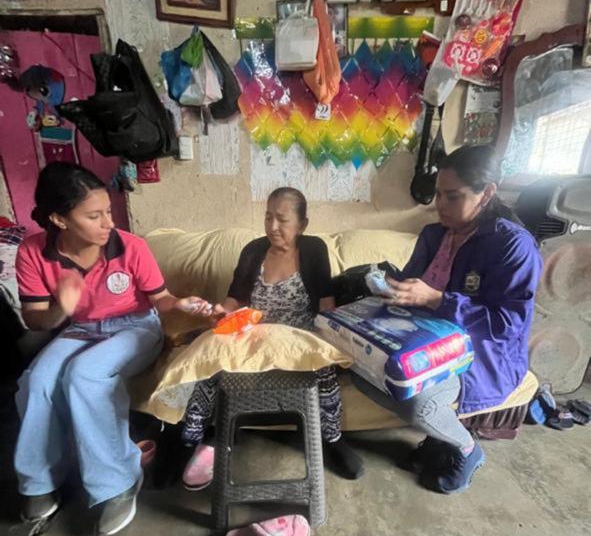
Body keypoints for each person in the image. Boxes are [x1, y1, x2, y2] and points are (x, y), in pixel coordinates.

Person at [14, 163, 217, 536]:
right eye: (94, 216)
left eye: (108, 211)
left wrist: (181, 303)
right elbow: (35, 320)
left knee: (84, 375)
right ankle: (40, 478)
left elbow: (161, 300)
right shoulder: (33, 252)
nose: (108, 222)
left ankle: (118, 481)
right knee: (37, 380)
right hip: (80, 330)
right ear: (59, 219)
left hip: (135, 326)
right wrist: (61, 309)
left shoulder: (129, 246)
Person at [352, 145, 542, 494]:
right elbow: (413, 285)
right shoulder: (434, 234)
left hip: (481, 357)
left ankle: (467, 449)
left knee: (421, 405)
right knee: (362, 369)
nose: (440, 205)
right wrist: (392, 290)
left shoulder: (512, 246)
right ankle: (441, 440)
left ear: (487, 193)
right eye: (438, 194)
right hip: (425, 340)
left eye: (452, 197)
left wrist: (437, 299)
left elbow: (507, 324)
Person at [182, 186, 363, 484]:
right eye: (268, 217)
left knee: (324, 370)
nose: (273, 226)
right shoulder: (253, 250)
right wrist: (220, 311)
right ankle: (198, 439)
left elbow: (326, 304)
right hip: (254, 336)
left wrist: (332, 341)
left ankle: (332, 439)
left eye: (282, 219)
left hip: (299, 338)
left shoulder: (314, 249)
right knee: (210, 363)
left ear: (302, 224)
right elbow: (234, 300)